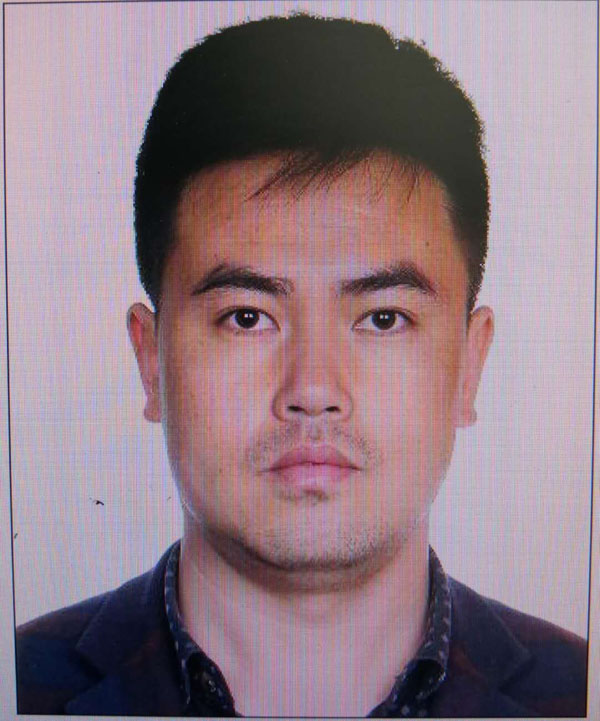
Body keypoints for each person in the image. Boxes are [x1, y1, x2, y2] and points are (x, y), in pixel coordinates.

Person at [16, 13, 587, 717]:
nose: (314, 389)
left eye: (383, 318)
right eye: (246, 317)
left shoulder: (577, 693)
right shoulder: (23, 687)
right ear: (151, 358)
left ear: (469, 365)